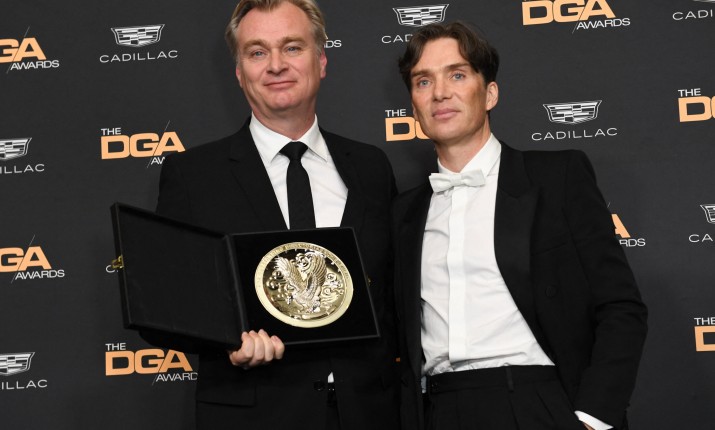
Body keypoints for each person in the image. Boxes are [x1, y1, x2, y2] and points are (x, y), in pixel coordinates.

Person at [142, 1, 399, 429]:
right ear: (239, 72)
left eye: (292, 47)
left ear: (321, 61)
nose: (276, 65)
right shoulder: (193, 176)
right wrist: (228, 341)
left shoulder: (371, 167)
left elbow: (395, 294)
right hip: (254, 416)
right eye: (257, 52)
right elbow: (163, 305)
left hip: (370, 414)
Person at [392, 21, 647, 430]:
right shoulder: (403, 213)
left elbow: (620, 305)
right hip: (440, 409)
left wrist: (592, 417)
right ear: (414, 105)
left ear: (490, 93)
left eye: (457, 75)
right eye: (424, 81)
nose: (440, 92)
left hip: (537, 403)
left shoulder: (557, 178)